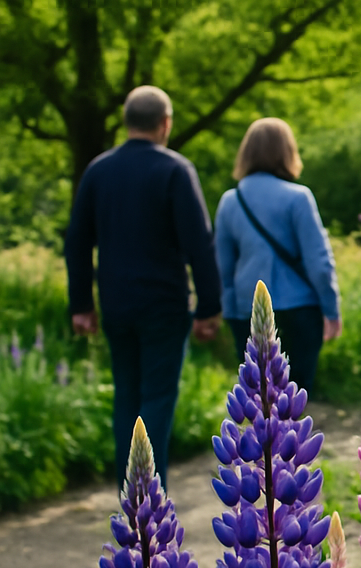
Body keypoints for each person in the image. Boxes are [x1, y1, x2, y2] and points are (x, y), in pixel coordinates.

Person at [66, 85, 222, 490]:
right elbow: (199, 243)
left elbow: (78, 240)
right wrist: (209, 307)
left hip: (116, 305)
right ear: (165, 123)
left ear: (127, 121)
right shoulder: (174, 170)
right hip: (164, 306)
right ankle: (152, 500)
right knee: (156, 401)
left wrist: (81, 303)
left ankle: (129, 496)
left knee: (126, 399)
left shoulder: (98, 170)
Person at [215, 118, 341, 392]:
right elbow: (319, 262)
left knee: (257, 395)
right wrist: (331, 310)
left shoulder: (229, 201)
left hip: (245, 310)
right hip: (299, 309)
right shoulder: (298, 197)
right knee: (294, 396)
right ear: (287, 152)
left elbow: (222, 267)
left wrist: (229, 312)